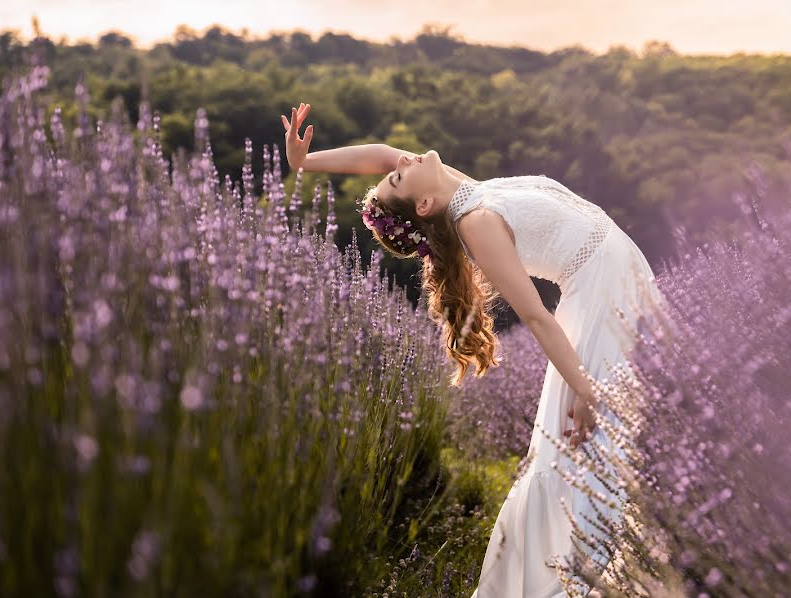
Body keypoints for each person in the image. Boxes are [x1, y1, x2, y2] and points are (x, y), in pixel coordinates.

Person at [282, 103, 668, 597]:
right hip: (599, 307)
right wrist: (584, 388)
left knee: (631, 438)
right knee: (603, 456)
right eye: (400, 178)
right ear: (422, 207)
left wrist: (304, 163)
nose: (401, 164)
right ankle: (594, 582)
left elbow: (380, 157)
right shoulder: (475, 220)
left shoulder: (465, 191)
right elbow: (535, 316)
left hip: (621, 283)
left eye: (397, 171)